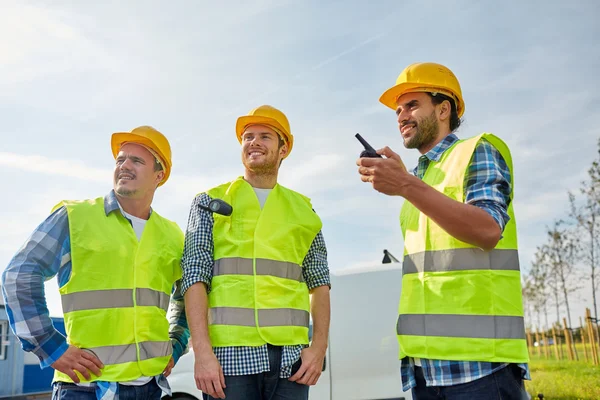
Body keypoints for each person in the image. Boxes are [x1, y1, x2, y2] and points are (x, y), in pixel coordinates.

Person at [356, 63, 530, 400]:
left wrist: (405, 184)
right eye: (398, 110)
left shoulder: (477, 151)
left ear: (443, 109)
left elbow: (488, 229)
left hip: (480, 369)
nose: (401, 116)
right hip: (425, 370)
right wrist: (409, 181)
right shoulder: (420, 179)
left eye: (412, 105)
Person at [1, 126, 190, 400]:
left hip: (152, 387)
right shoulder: (75, 217)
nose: (124, 166)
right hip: (85, 388)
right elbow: (18, 275)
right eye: (120, 159)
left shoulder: (173, 235)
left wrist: (176, 343)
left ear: (159, 175)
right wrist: (51, 347)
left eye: (137, 161)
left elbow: (188, 295)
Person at [181, 105, 331, 400]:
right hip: (228, 359)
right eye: (248, 137)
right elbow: (194, 278)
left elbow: (320, 283)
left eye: (265, 136)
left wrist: (318, 349)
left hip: (291, 361)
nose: (254, 142)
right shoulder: (209, 202)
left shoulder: (304, 209)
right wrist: (202, 353)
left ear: (283, 149)